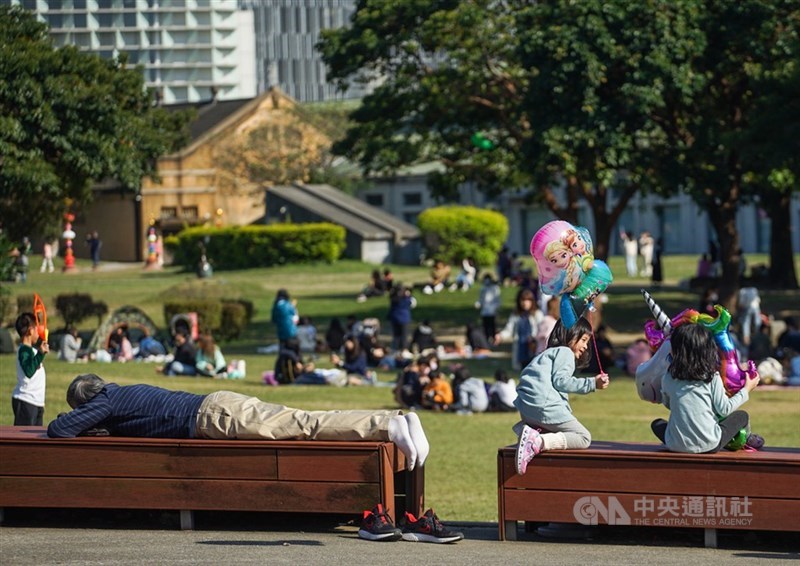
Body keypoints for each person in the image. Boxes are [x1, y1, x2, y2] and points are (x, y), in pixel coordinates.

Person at [47, 374, 431, 471]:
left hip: (216, 417)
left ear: (86, 399)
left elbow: (60, 430)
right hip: (217, 406)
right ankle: (399, 420)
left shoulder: (106, 399)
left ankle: (388, 425)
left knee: (303, 425)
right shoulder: (121, 393)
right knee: (299, 421)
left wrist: (79, 419)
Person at [514, 317, 610, 475]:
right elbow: (562, 382)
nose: (586, 346)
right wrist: (593, 383)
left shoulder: (547, 354)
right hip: (543, 407)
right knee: (583, 437)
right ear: (572, 335)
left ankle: (533, 433)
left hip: (527, 410)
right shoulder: (565, 352)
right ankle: (537, 441)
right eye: (584, 340)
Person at [649, 324, 761, 453]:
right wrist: (746, 389)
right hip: (710, 444)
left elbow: (669, 405)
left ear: (675, 351)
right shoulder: (712, 377)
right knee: (742, 415)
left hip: (676, 445)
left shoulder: (668, 378)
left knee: (657, 423)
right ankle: (747, 439)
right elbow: (724, 409)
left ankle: (678, 441)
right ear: (708, 351)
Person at [13, 312, 49, 425]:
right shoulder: (24, 350)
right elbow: (29, 371)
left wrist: (39, 353)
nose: (39, 332)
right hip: (26, 401)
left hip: (36, 402)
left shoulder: (31, 350)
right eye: (37, 329)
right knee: (23, 439)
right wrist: (40, 354)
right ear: (30, 330)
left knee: (35, 439)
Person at [496, 288, 544, 371]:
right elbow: (509, 329)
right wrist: (500, 336)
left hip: (533, 348)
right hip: (520, 348)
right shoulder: (516, 315)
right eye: (523, 300)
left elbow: (542, 331)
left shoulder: (537, 314)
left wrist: (534, 338)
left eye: (528, 300)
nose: (525, 303)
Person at [387, 284, 416, 353]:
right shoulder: (405, 299)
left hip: (394, 318)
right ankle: (404, 349)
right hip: (404, 319)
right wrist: (408, 295)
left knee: (396, 335)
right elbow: (410, 303)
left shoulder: (393, 298)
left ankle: (395, 349)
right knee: (404, 335)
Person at [475, 273, 502, 343]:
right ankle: (486, 339)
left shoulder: (495, 288)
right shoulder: (483, 288)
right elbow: (481, 299)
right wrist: (478, 304)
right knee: (485, 326)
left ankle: (493, 338)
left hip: (492, 311)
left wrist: (496, 307)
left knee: (492, 326)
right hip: (485, 311)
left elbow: (498, 299)